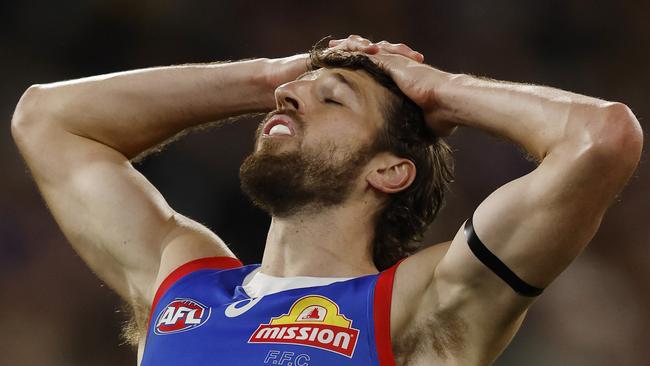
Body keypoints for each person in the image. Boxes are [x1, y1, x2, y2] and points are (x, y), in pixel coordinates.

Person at [11, 35, 642, 365]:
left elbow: (602, 139)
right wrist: (271, 75)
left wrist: (438, 91)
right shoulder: (182, 280)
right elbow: (47, 118)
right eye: (290, 92)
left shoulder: (419, 309)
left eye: (332, 99)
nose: (288, 97)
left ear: (390, 171)